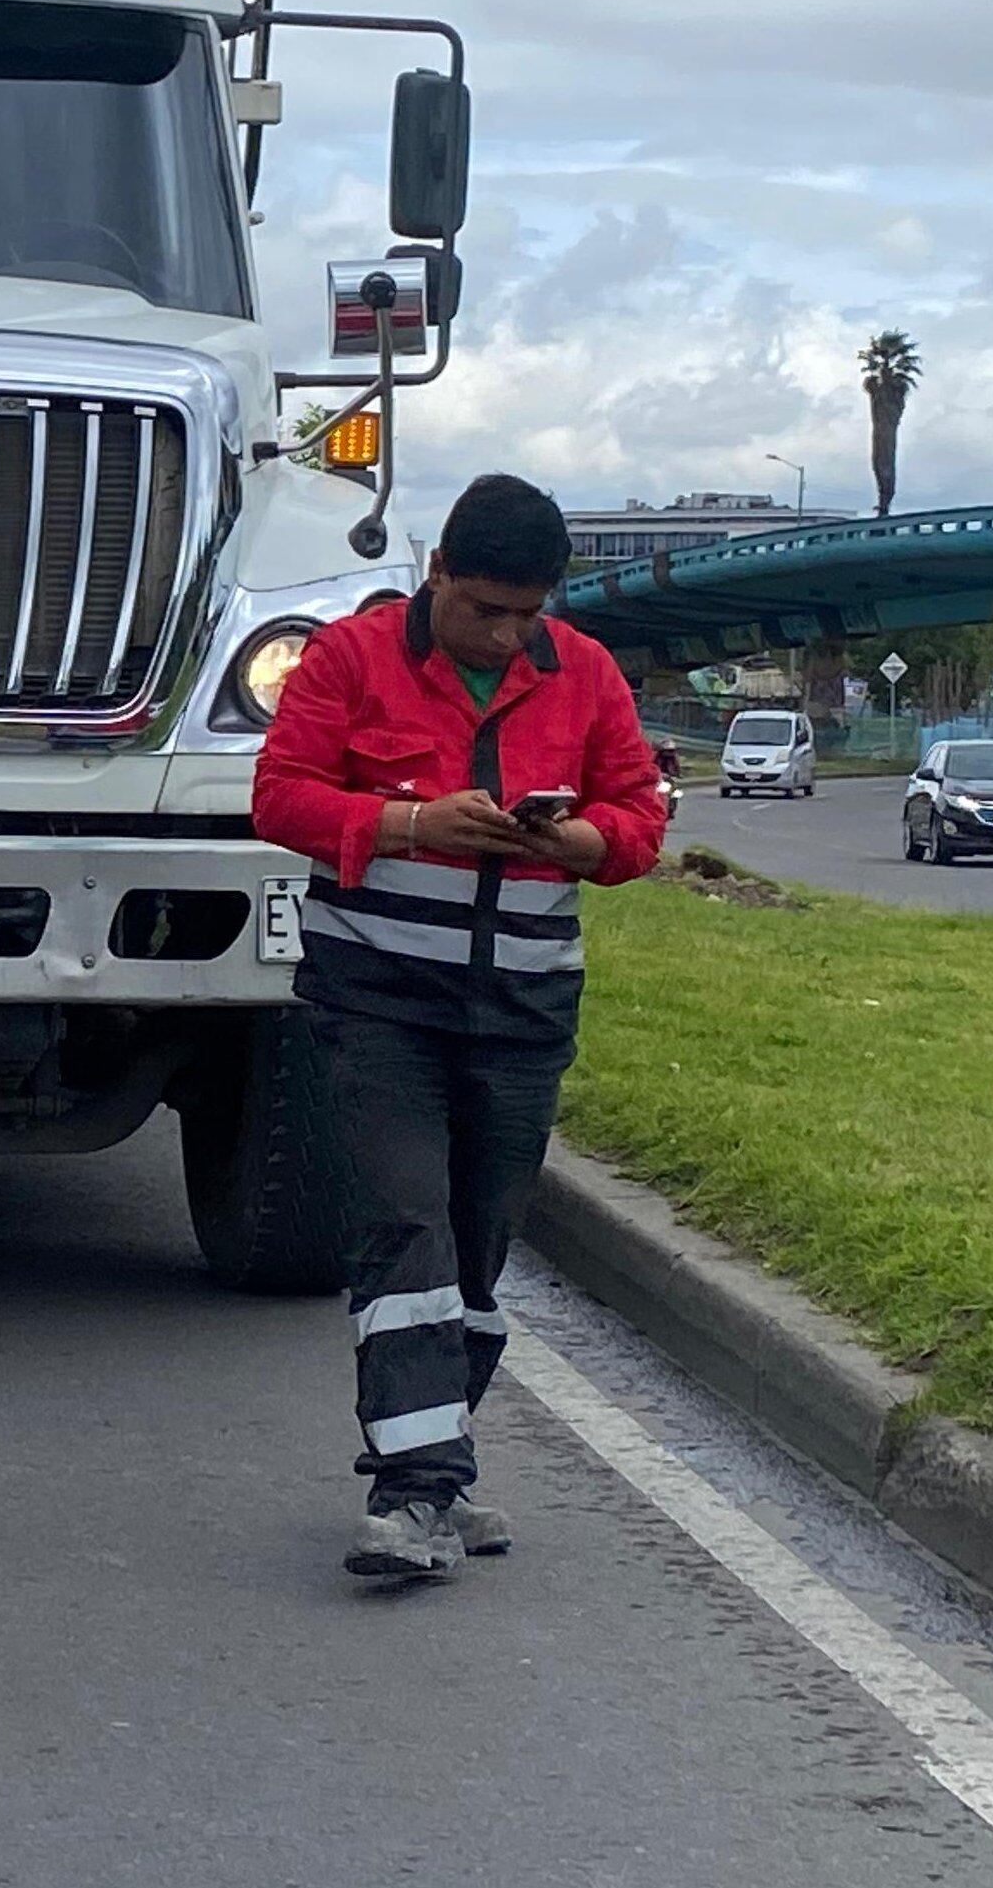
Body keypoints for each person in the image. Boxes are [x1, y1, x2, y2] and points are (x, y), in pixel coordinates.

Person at [251, 474, 669, 1581]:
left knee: (478, 1251)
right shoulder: (347, 659)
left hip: (524, 1015)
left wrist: (582, 842)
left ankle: (444, 1459)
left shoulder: (582, 673)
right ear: (436, 572)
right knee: (408, 1228)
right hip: (378, 1005)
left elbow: (638, 821)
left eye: (530, 612)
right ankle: (415, 1494)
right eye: (487, 608)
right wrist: (410, 822)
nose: (510, 632)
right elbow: (280, 798)